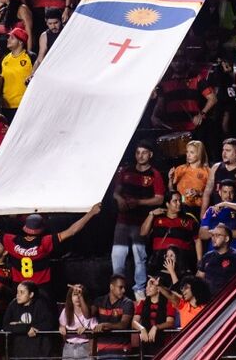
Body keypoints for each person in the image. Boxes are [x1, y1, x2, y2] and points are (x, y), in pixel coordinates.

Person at [112, 141, 164, 294]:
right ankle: (117, 287)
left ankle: (139, 289)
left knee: (139, 255)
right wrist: (119, 199)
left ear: (150, 154)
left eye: (144, 152)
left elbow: (159, 198)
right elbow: (116, 192)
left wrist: (139, 202)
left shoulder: (154, 174)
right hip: (122, 220)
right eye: (138, 152)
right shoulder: (126, 171)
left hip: (140, 222)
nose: (140, 156)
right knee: (117, 255)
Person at [3, 281, 58, 358]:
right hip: (19, 352)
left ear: (31, 294)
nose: (18, 295)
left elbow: (50, 323)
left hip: (39, 352)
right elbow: (6, 326)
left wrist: (20, 325)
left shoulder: (41, 304)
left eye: (22, 292)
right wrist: (27, 328)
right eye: (17, 292)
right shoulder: (13, 305)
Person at [92, 275, 135, 358]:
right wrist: (80, 297)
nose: (123, 290)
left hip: (121, 350)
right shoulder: (99, 301)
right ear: (111, 287)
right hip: (102, 350)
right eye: (120, 287)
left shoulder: (127, 302)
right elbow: (88, 315)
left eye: (124, 287)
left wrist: (106, 325)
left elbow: (123, 324)